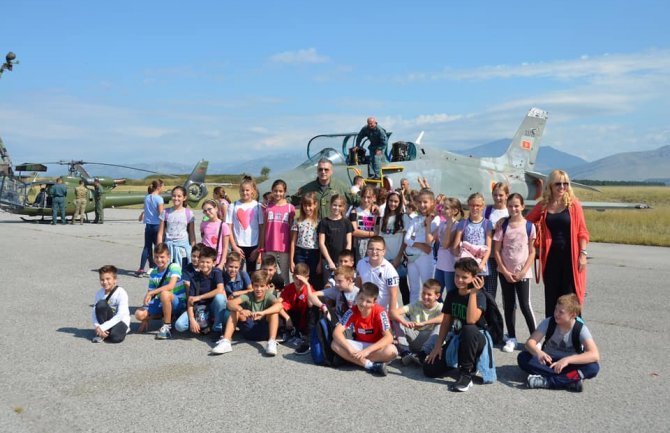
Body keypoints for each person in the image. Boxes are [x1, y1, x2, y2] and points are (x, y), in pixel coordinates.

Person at [526, 170, 590, 317]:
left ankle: (573, 336)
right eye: (558, 184)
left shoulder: (573, 205)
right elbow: (526, 221)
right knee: (552, 297)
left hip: (571, 258)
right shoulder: (543, 205)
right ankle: (551, 336)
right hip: (550, 259)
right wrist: (506, 220)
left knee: (569, 298)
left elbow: (582, 232)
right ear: (550, 185)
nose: (562, 187)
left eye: (565, 184)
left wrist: (583, 254)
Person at [424, 258, 493, 392]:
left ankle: (466, 374)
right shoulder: (452, 294)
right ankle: (457, 363)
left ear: (474, 278)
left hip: (476, 340)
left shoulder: (479, 296)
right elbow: (446, 322)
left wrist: (473, 292)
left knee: (469, 329)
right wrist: (438, 347)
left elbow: (471, 320)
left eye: (464, 277)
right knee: (429, 369)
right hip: (458, 339)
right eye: (457, 275)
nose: (459, 280)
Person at [518, 294, 600, 392]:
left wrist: (567, 360)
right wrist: (538, 352)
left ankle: (547, 382)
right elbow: (529, 343)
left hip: (568, 364)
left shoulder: (580, 328)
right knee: (523, 357)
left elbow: (594, 354)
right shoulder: (549, 322)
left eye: (561, 312)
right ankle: (569, 380)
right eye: (556, 309)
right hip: (548, 362)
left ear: (573, 315)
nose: (556, 314)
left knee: (593, 367)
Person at [493, 193, 537, 353]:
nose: (513, 208)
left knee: (525, 305)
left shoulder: (530, 226)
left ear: (523, 206)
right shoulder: (502, 226)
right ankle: (511, 337)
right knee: (509, 305)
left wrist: (523, 271)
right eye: (510, 205)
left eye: (517, 205)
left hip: (523, 274)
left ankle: (535, 338)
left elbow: (532, 252)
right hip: (505, 273)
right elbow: (497, 250)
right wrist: (504, 271)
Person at [330, 282, 397, 376]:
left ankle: (350, 359)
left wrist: (366, 351)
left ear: (375, 302)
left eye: (368, 301)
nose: (363, 304)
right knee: (334, 344)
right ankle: (370, 365)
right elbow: (337, 332)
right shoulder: (352, 311)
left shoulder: (380, 312)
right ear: (357, 296)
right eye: (361, 298)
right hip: (359, 347)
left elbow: (389, 338)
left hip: (375, 348)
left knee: (392, 350)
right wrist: (350, 349)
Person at [211, 270, 282, 356]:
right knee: (235, 310)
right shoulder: (248, 295)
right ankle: (226, 341)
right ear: (252, 286)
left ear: (267, 287)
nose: (259, 289)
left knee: (274, 313)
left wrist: (263, 313)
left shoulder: (269, 296)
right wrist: (241, 310)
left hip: (265, 330)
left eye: (262, 286)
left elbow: (279, 306)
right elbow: (230, 303)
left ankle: (271, 342)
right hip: (248, 328)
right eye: (256, 286)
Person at [134, 243, 187, 340]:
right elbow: (150, 294)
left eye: (162, 257)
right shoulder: (154, 272)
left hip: (178, 301)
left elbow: (171, 286)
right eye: (156, 257)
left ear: (168, 257)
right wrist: (146, 317)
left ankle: (167, 326)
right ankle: (165, 315)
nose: (159, 260)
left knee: (164, 294)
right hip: (163, 301)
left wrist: (152, 292)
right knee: (139, 314)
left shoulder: (174, 266)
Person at [174, 246, 226, 335]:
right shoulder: (195, 277)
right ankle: (203, 323)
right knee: (179, 325)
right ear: (198, 262)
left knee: (220, 298)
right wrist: (192, 319)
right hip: (199, 308)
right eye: (202, 261)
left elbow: (220, 289)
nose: (204, 265)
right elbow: (190, 301)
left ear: (214, 263)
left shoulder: (216, 272)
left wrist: (199, 297)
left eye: (208, 262)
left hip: (213, 307)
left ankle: (217, 328)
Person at [392, 279, 444, 366]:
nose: (425, 296)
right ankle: (405, 352)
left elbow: (445, 318)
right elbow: (394, 313)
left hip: (430, 340)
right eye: (423, 293)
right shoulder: (416, 304)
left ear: (437, 296)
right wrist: (404, 322)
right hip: (414, 337)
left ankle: (422, 355)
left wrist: (424, 323)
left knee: (441, 325)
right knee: (397, 319)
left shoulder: (440, 307)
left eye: (429, 294)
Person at [291, 158, 359, 220]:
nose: (323, 172)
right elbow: (292, 200)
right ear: (317, 171)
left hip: (334, 228)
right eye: (320, 169)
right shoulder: (308, 188)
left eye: (326, 169)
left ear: (331, 171)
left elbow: (357, 200)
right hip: (315, 229)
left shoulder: (341, 187)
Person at [404, 189, 440, 303]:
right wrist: (419, 244)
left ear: (432, 203)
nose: (422, 205)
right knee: (414, 289)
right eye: (419, 202)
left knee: (428, 288)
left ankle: (429, 314)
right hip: (412, 258)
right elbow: (406, 239)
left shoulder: (436, 220)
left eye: (425, 202)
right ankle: (413, 314)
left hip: (426, 258)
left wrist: (414, 241)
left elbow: (428, 241)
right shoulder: (415, 219)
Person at [227, 176, 264, 273]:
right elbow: (228, 228)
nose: (245, 192)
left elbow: (261, 228)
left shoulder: (258, 206)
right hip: (238, 246)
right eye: (242, 190)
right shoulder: (233, 206)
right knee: (236, 272)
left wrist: (258, 249)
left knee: (251, 273)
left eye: (247, 190)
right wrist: (234, 246)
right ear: (239, 191)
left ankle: (250, 288)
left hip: (253, 246)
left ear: (252, 191)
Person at [261, 179, 295, 284]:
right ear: (272, 191)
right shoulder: (267, 207)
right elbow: (264, 228)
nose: (278, 193)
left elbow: (292, 230)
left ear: (285, 192)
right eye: (275, 191)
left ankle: (285, 297)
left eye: (280, 191)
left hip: (284, 247)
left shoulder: (290, 208)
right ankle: (269, 297)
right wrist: (261, 247)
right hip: (270, 245)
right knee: (268, 274)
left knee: (284, 274)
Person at [452, 192, 493, 276]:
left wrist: (482, 264)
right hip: (465, 265)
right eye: (472, 205)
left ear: (483, 207)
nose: (475, 208)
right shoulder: (463, 223)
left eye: (478, 205)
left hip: (479, 265)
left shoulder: (487, 223)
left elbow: (488, 248)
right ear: (468, 206)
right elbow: (455, 247)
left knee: (478, 288)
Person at [355, 236, 400, 312]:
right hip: (367, 309)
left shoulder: (390, 270)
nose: (374, 252)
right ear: (367, 249)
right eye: (371, 249)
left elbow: (393, 295)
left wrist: (392, 314)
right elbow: (358, 285)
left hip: (385, 310)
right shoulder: (361, 263)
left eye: (378, 249)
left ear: (383, 252)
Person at [277, 263, 314, 355]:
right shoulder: (289, 287)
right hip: (293, 316)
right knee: (279, 306)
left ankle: (308, 340)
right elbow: (278, 303)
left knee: (313, 309)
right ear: (293, 277)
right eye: (296, 278)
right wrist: (287, 318)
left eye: (301, 279)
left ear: (307, 278)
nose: (298, 281)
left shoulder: (309, 289)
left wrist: (307, 284)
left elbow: (311, 305)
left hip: (305, 318)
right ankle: (283, 332)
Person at [318, 194, 353, 286]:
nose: (336, 208)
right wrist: (329, 261)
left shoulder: (347, 223)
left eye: (339, 206)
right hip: (328, 261)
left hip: (342, 262)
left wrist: (345, 260)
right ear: (330, 205)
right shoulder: (324, 222)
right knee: (328, 287)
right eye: (334, 205)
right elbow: (321, 243)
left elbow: (349, 242)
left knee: (342, 285)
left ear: (343, 207)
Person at [157, 186, 196, 268]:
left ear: (184, 198)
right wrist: (159, 250)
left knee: (183, 275)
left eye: (179, 196)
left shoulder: (189, 213)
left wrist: (194, 249)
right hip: (168, 249)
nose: (176, 198)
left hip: (183, 251)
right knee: (169, 275)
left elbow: (192, 234)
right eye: (174, 196)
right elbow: (160, 233)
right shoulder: (165, 212)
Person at [91, 265, 130, 344]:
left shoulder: (121, 292)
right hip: (106, 320)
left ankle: (117, 330)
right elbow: (94, 312)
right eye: (102, 279)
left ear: (115, 280)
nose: (105, 282)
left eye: (108, 279)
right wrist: (97, 327)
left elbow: (120, 315)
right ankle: (102, 333)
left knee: (116, 338)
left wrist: (103, 327)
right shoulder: (99, 293)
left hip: (120, 320)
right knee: (101, 304)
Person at [483, 182, 510, 299]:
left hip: (506, 255)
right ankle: (490, 315)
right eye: (495, 195)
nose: (497, 198)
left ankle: (509, 316)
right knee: (490, 288)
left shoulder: (510, 211)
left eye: (501, 195)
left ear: (507, 195)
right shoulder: (487, 210)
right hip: (491, 255)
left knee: (507, 291)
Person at [290, 192, 321, 287]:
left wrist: (320, 262)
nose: (307, 208)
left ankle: (311, 300)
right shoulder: (298, 221)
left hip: (314, 253)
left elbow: (321, 243)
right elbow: (293, 241)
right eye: (305, 205)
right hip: (300, 253)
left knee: (313, 278)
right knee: (299, 277)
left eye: (310, 205)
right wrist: (291, 260)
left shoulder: (319, 222)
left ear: (315, 205)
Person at [435, 197, 464, 296]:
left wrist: (449, 226)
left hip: (450, 265)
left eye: (446, 208)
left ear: (455, 211)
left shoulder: (458, 226)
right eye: (442, 207)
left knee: (451, 294)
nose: (442, 210)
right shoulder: (442, 223)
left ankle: (449, 311)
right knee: (436, 293)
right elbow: (433, 238)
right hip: (440, 264)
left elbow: (446, 244)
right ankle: (441, 310)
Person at [136, 179, 164, 276]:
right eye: (162, 187)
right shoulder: (159, 199)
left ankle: (141, 269)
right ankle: (156, 268)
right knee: (158, 248)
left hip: (148, 226)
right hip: (157, 225)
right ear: (159, 187)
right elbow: (161, 213)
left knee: (147, 248)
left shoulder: (146, 198)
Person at [349, 185, 379, 262]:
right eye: (364, 197)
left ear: (373, 197)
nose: (366, 200)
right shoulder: (354, 211)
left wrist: (378, 212)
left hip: (373, 246)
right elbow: (354, 231)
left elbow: (378, 229)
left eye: (368, 197)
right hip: (359, 246)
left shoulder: (376, 212)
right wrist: (372, 234)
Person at [200, 199, 231, 270]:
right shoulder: (203, 224)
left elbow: (225, 247)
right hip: (205, 259)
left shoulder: (223, 225)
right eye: (205, 211)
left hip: (217, 260)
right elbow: (203, 239)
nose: (207, 212)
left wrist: (222, 263)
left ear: (216, 208)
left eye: (209, 209)